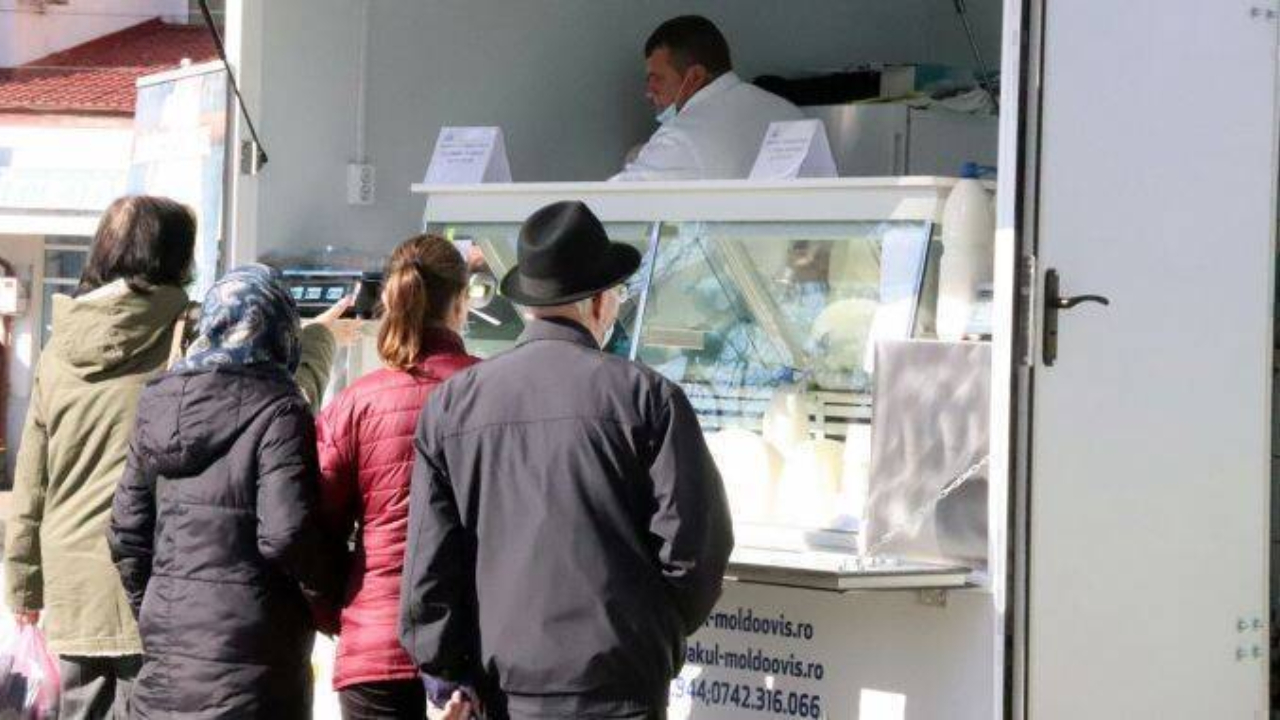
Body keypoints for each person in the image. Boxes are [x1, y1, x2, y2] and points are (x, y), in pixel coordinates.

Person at [2, 196, 342, 720]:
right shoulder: (187, 332)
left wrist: (24, 583)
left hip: (74, 591)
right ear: (177, 257)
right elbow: (260, 405)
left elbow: (32, 477)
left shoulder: (58, 345)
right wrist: (319, 340)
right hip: (161, 582)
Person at [399, 201, 735, 720]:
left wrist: (449, 668)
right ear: (599, 302)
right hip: (618, 686)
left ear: (528, 305)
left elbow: (428, 564)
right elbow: (695, 549)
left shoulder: (453, 405)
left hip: (503, 687)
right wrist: (650, 635)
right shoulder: (648, 398)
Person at [108, 265, 343, 719]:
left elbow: (125, 532)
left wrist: (155, 609)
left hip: (166, 662)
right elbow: (287, 534)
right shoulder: (281, 408)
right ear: (281, 331)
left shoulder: (157, 403)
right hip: (256, 665)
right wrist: (330, 600)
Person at [316, 235, 480, 720]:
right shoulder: (489, 390)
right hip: (468, 641)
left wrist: (342, 609)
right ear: (461, 302)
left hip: (374, 639)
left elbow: (315, 522)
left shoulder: (356, 401)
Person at [611, 15, 804, 181]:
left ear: (695, 77)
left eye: (657, 79)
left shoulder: (682, 137)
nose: (649, 92)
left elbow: (613, 201)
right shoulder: (791, 114)